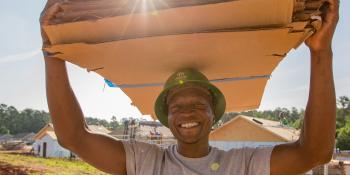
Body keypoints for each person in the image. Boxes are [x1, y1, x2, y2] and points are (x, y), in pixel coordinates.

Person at [40, 0, 339, 174]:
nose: (187, 113)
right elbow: (73, 136)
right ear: (165, 116)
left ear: (214, 113)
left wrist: (320, 52)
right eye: (177, 106)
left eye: (197, 104)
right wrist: (52, 52)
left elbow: (315, 152)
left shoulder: (243, 164)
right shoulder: (147, 163)